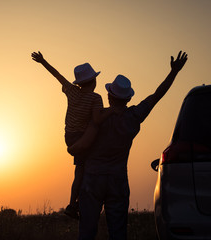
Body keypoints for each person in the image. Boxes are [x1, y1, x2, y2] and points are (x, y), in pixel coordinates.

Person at [68, 51, 188, 240]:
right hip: (118, 181)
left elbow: (78, 138)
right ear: (129, 99)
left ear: (109, 96)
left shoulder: (97, 119)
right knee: (118, 233)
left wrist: (71, 149)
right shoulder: (134, 117)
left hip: (92, 180)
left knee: (87, 232)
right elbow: (157, 95)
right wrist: (174, 72)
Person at [31, 51, 113, 219]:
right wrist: (113, 110)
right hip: (82, 138)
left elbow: (57, 75)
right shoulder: (95, 98)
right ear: (94, 81)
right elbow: (97, 120)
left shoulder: (72, 91)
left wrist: (43, 61)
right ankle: (74, 204)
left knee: (79, 170)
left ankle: (72, 203)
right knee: (83, 170)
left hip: (69, 136)